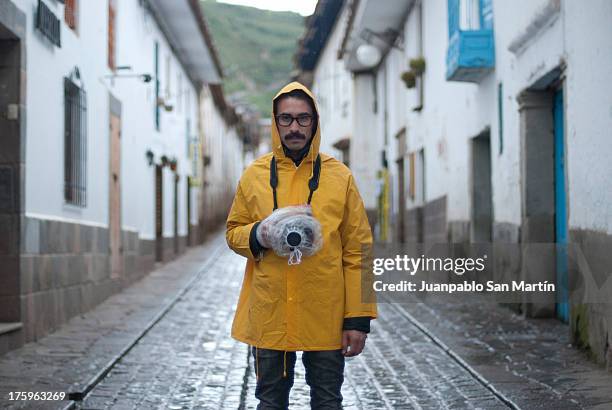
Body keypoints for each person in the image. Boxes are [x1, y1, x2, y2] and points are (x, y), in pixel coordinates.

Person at [226, 82, 377, 409]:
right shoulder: (254, 175)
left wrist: (358, 320)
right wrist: (259, 234)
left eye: (303, 119)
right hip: (270, 312)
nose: (294, 127)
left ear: (315, 122)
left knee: (327, 401)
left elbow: (359, 251)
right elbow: (233, 232)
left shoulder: (340, 177)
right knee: (270, 402)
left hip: (326, 313)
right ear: (275, 122)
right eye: (286, 119)